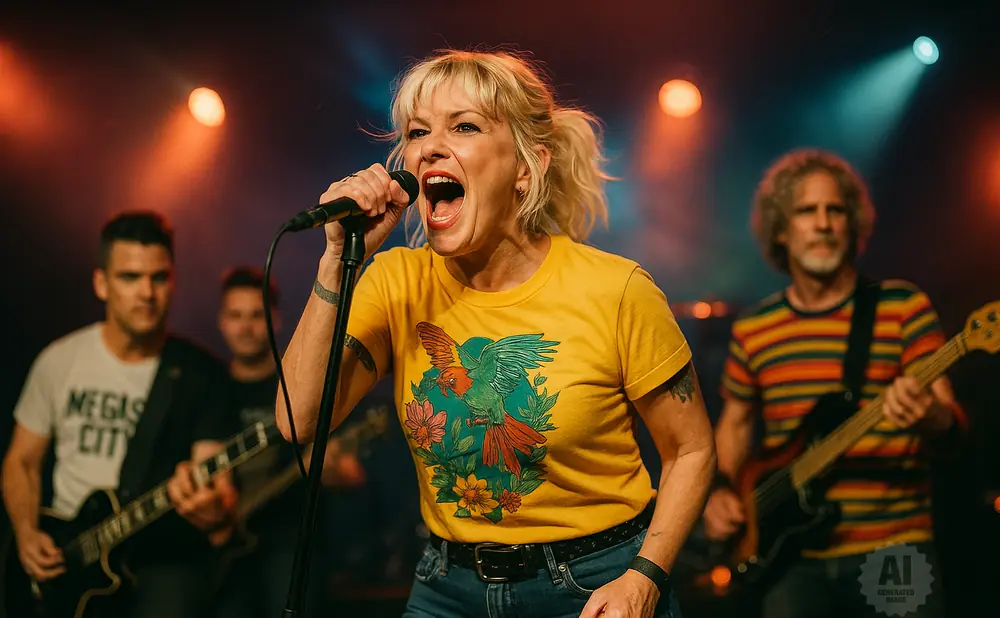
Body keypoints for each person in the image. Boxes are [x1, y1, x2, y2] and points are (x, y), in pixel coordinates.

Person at [274, 48, 717, 618]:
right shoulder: (394, 281)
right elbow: (298, 419)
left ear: (527, 167)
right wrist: (336, 260)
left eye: (464, 126)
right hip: (448, 586)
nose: (430, 146)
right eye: (417, 131)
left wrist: (645, 578)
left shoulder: (617, 290)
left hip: (596, 582)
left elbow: (693, 449)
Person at [703, 149, 966, 618]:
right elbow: (736, 424)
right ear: (780, 231)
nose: (823, 223)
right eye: (806, 211)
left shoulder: (901, 305)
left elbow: (950, 423)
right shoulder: (755, 327)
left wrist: (931, 416)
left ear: (853, 225)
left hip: (895, 545)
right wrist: (722, 489)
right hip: (789, 558)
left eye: (835, 210)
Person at [1, 210, 239, 618]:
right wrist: (25, 532)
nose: (146, 292)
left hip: (160, 558)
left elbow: (217, 481)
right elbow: (22, 460)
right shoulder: (59, 360)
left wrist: (214, 509)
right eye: (130, 277)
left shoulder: (202, 374)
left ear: (173, 280)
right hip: (69, 555)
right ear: (101, 283)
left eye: (159, 277)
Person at [211, 266, 365, 618]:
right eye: (236, 315)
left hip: (291, 544)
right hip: (227, 545)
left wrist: (328, 469)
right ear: (221, 321)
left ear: (275, 319)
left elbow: (353, 475)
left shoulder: (301, 384)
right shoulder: (210, 387)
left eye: (256, 314)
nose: (246, 326)